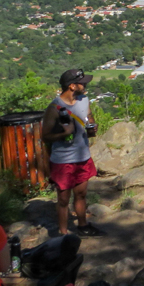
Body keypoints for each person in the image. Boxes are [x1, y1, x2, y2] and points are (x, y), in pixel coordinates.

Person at [42, 69, 102, 237]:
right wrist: (64, 134)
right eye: (82, 83)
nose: (85, 85)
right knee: (63, 200)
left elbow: (88, 116)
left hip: (83, 156)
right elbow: (45, 136)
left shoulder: (84, 100)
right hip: (63, 160)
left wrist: (92, 126)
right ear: (72, 86)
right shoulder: (54, 108)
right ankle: (63, 234)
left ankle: (83, 226)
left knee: (81, 194)